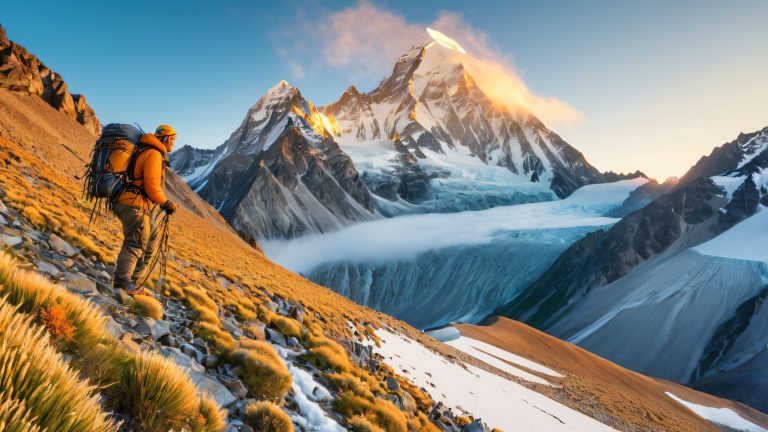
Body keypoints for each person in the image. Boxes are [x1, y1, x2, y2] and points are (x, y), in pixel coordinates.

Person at [112, 124, 178, 295]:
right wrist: (166, 203)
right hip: (134, 204)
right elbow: (152, 186)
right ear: (164, 138)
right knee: (135, 242)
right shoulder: (154, 154)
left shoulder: (150, 151)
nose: (173, 142)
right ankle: (122, 281)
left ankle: (133, 280)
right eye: (172, 139)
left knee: (151, 239)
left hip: (134, 203)